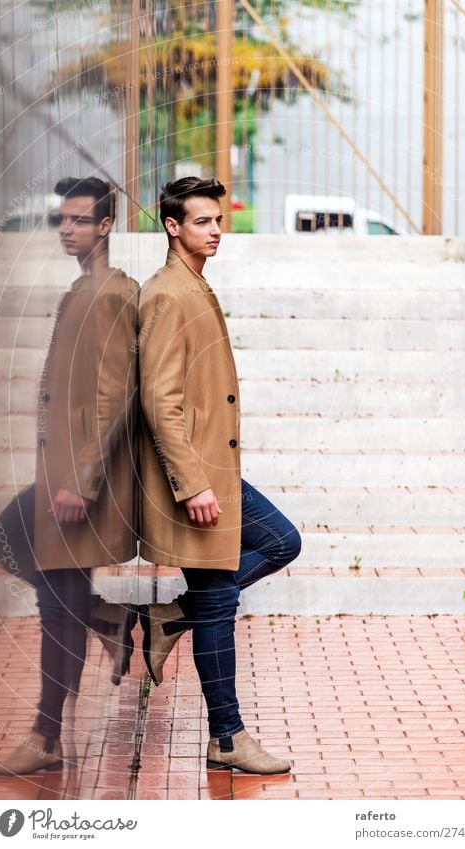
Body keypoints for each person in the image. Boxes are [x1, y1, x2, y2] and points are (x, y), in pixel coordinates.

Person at [138, 176, 302, 775]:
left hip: (215, 470)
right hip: (196, 479)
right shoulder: (166, 295)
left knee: (282, 541)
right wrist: (192, 484)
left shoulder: (192, 286)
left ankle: (171, 616)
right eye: (202, 221)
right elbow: (159, 400)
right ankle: (227, 737)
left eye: (218, 220)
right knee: (218, 604)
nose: (215, 231)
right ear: (172, 226)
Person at [0, 177, 139, 775]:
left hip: (79, 481)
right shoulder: (85, 288)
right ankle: (106, 616)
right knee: (7, 541)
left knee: (56, 603)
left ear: (105, 227)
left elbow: (114, 395)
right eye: (61, 220)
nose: (66, 229)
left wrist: (83, 481)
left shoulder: (107, 294)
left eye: (79, 220)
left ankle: (47, 738)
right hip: (64, 475)